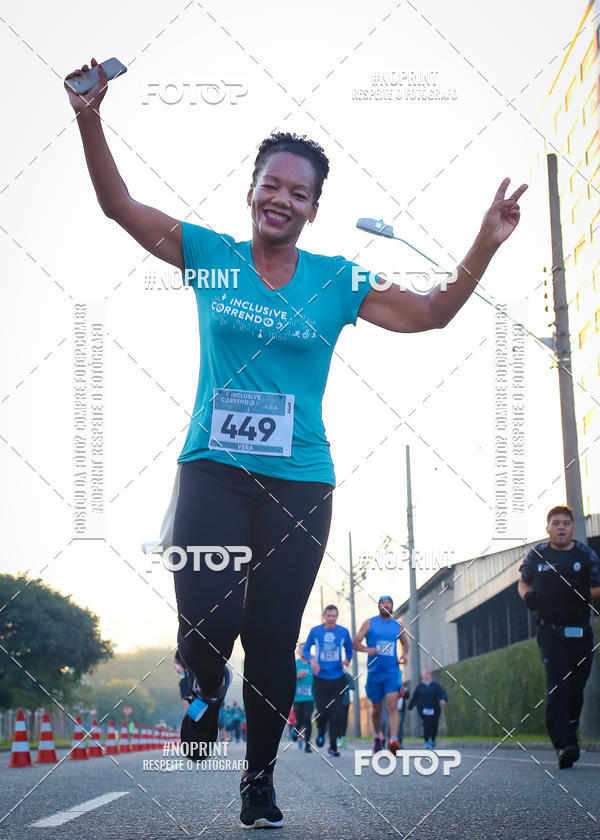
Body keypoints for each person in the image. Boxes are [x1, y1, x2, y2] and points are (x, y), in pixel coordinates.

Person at [65, 58, 526, 828]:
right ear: (251, 192)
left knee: (275, 642)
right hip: (211, 470)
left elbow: (435, 311)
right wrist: (88, 117)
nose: (282, 198)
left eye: (299, 192)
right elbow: (117, 204)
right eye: (271, 185)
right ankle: (203, 693)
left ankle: (258, 781)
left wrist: (484, 242)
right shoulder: (210, 256)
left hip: (301, 483)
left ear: (313, 209)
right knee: (208, 623)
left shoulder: (337, 280)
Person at [518, 505, 600, 769]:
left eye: (566, 522)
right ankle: (564, 744)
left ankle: (571, 728)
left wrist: (581, 593)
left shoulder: (586, 555)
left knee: (577, 687)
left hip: (580, 630)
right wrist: (528, 596)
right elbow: (523, 581)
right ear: (548, 528)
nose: (561, 527)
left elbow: (598, 587)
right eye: (556, 523)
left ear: (573, 528)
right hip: (549, 630)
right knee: (558, 683)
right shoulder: (537, 555)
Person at [353, 596, 408, 754]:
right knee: (376, 709)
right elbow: (355, 642)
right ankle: (378, 736)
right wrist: (367, 649)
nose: (386, 605)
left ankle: (394, 740)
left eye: (389, 603)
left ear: (392, 606)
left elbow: (405, 643)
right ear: (379, 606)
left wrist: (404, 655)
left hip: (391, 671)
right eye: (383, 603)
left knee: (392, 706)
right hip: (375, 672)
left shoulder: (398, 625)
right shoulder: (369, 623)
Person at [303, 605, 353, 757]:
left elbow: (349, 650)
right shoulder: (315, 631)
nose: (331, 619)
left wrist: (347, 659)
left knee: (336, 713)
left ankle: (333, 746)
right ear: (324, 616)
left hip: (338, 678)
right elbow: (306, 649)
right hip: (320, 679)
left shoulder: (343, 632)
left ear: (336, 617)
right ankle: (322, 730)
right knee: (322, 711)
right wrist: (312, 661)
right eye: (329, 616)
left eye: (334, 616)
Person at [408, 670, 447, 749]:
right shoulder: (419, 687)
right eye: (424, 674)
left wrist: (443, 699)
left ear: (430, 675)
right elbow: (414, 698)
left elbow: (442, 693)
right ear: (422, 676)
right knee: (426, 724)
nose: (425, 676)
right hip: (423, 709)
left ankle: (433, 739)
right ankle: (426, 741)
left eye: (427, 674)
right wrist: (410, 708)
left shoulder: (435, 685)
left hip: (435, 709)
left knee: (434, 725)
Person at [293, 645, 314, 753]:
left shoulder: (313, 663)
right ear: (299, 651)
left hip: (310, 697)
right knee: (300, 720)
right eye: (302, 648)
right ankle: (295, 732)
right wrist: (297, 675)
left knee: (307, 719)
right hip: (297, 698)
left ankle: (307, 745)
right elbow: (288, 675)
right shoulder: (296, 663)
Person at [338, 668, 355, 747]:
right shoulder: (334, 676)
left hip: (345, 702)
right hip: (336, 702)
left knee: (344, 719)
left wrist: (345, 687)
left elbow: (353, 686)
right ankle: (337, 737)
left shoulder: (347, 675)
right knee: (336, 719)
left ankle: (342, 737)